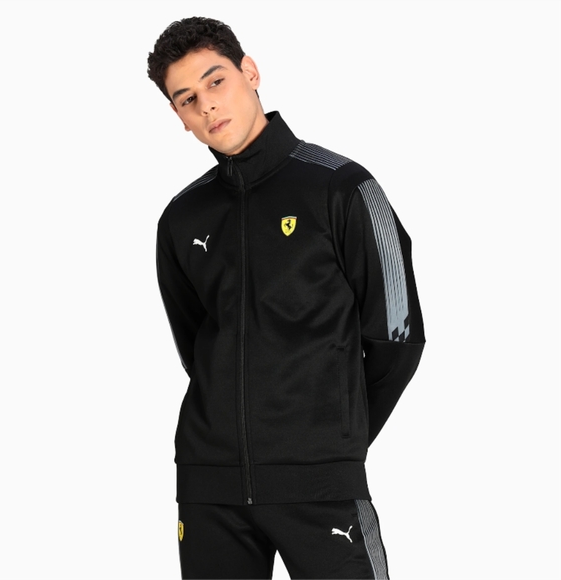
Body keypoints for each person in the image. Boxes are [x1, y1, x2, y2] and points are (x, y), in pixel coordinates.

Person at [147, 16, 425, 580]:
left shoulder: (344, 188)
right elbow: (198, 348)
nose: (207, 104)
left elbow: (398, 337)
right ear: (179, 116)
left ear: (250, 72)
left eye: (216, 81)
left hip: (320, 486)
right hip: (210, 490)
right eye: (187, 98)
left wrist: (331, 441)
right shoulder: (181, 218)